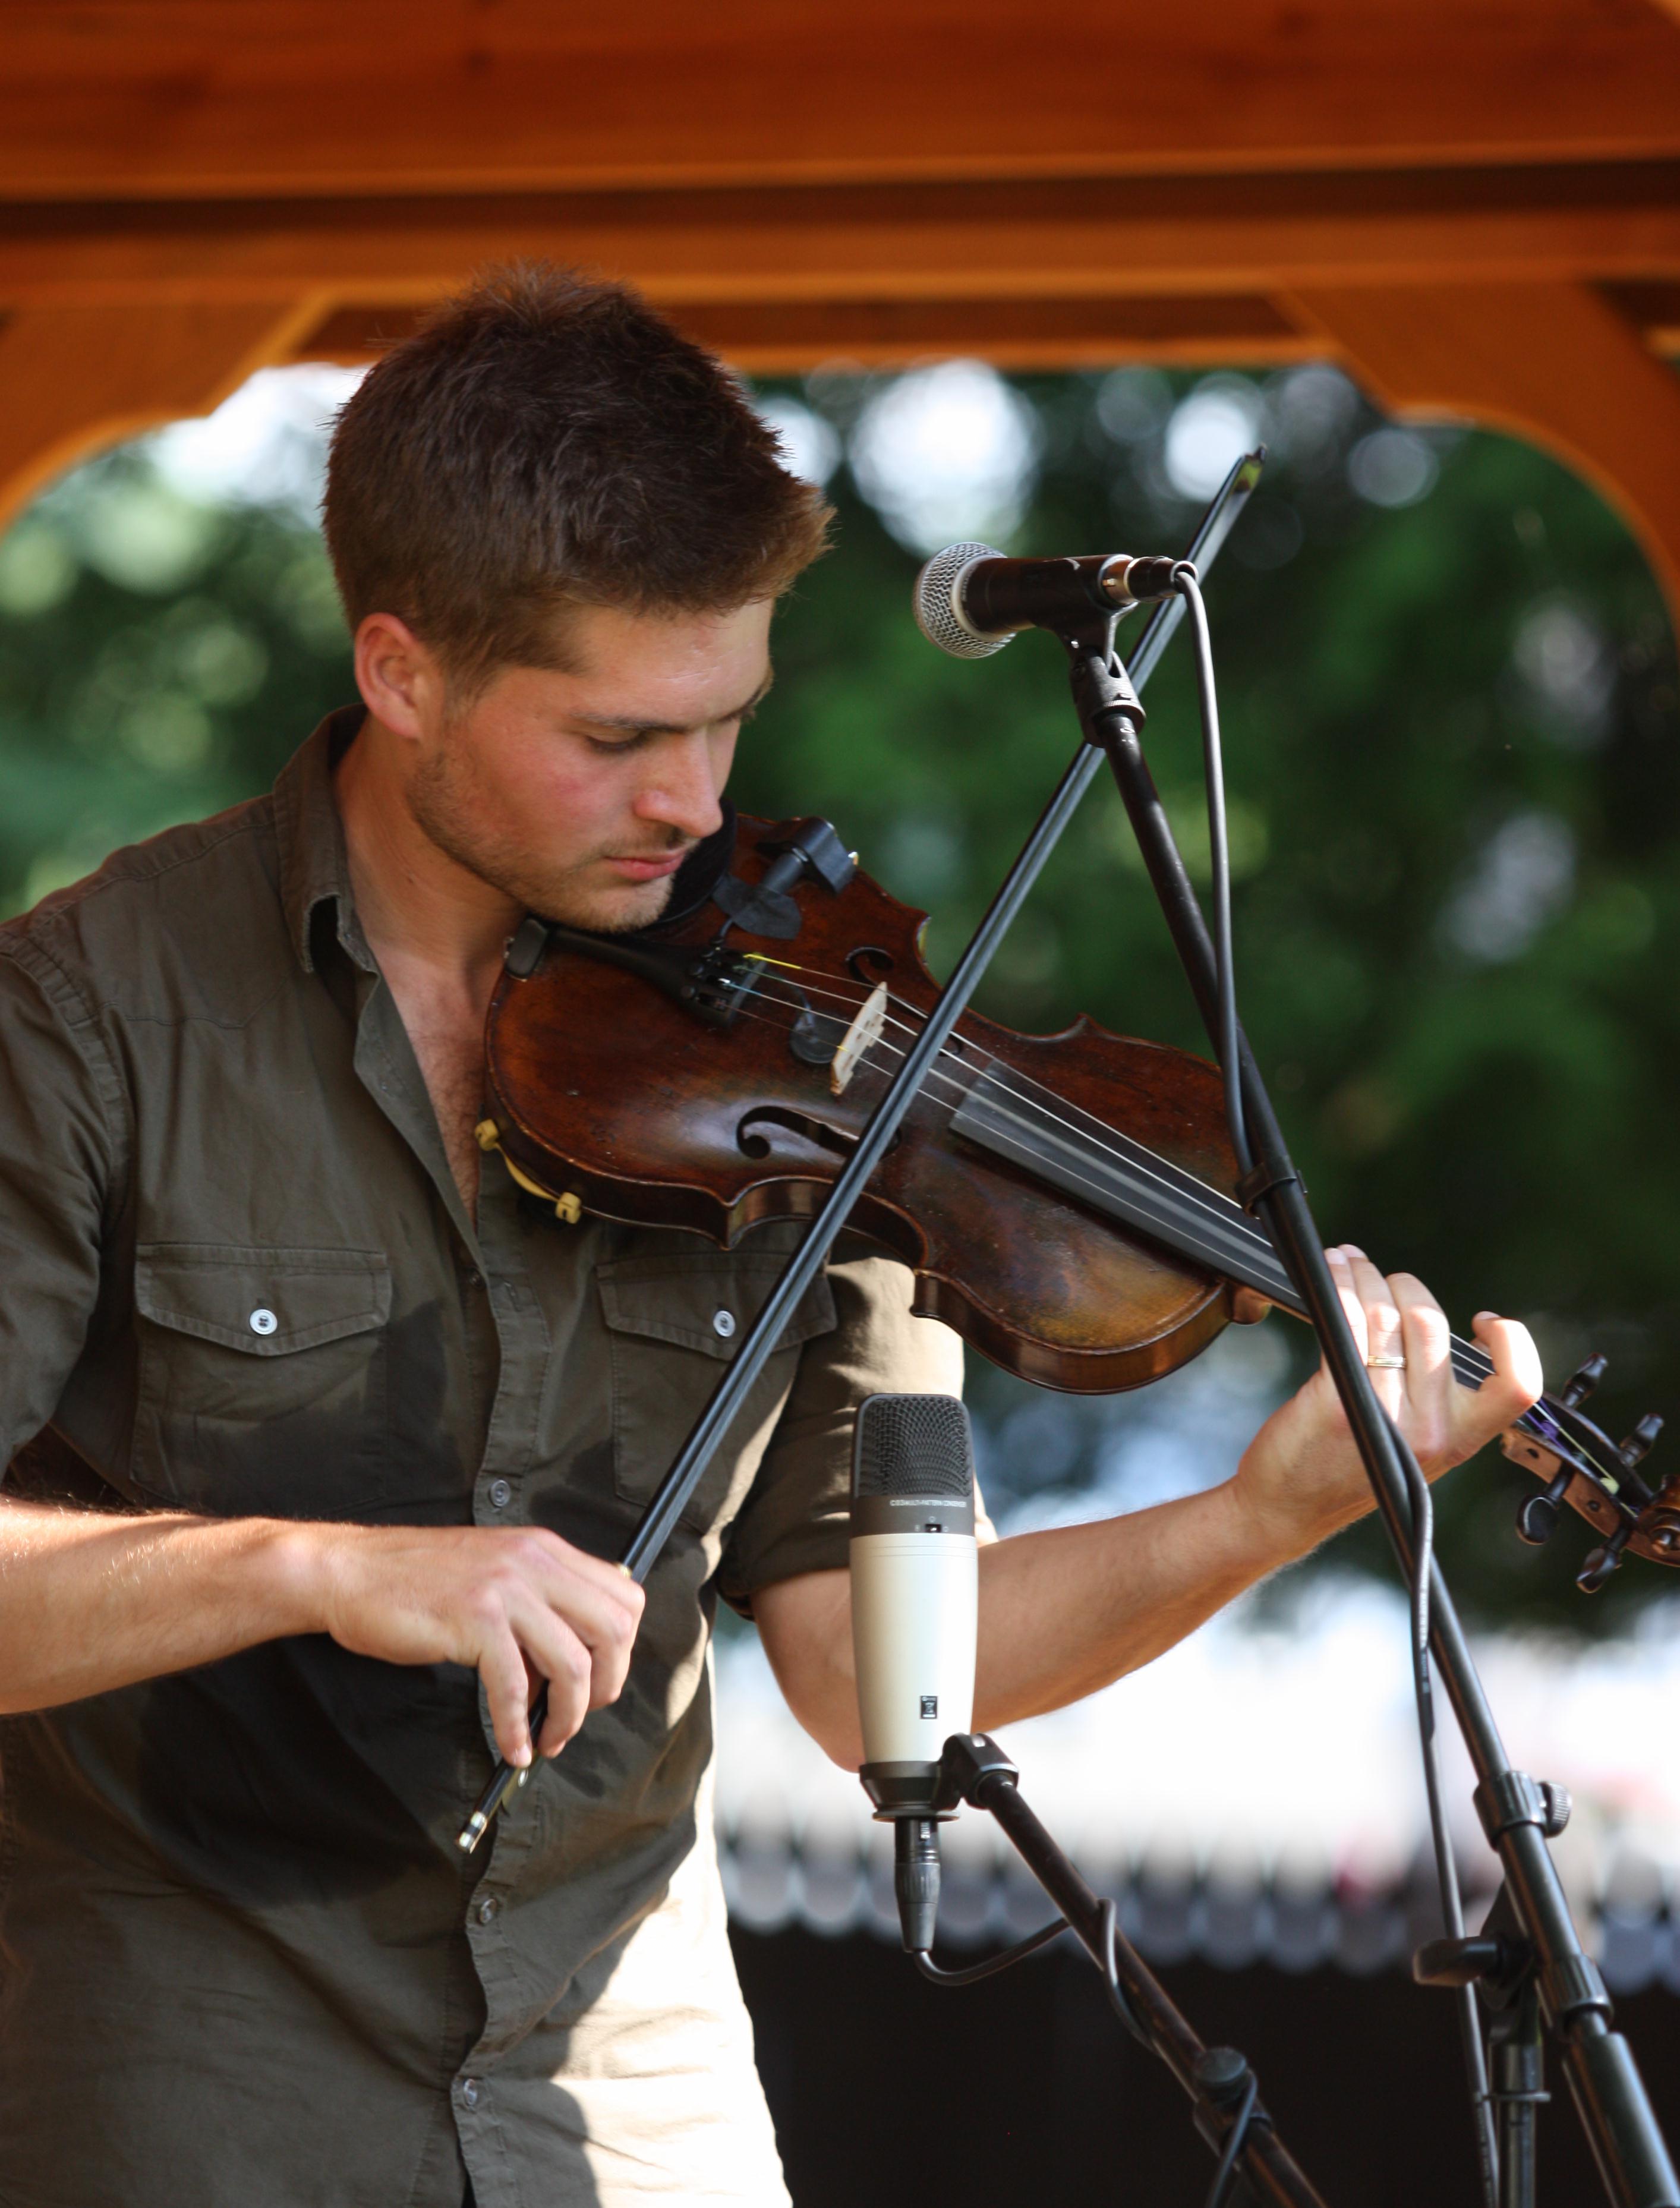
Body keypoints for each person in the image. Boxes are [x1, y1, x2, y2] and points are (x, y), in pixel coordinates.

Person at [0, 266, 1541, 2208]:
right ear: (401, 674)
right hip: (195, 2099)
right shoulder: (90, 1014)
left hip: (635, 2108)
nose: (695, 803)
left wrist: (1259, 1514)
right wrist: (311, 1564)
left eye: (728, 721)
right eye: (618, 736)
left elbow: (871, 1666)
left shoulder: (813, 1046)